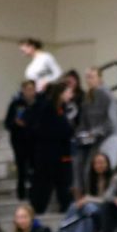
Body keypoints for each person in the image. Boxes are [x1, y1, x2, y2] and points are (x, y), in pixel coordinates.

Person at [29, 80, 75, 214]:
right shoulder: (48, 108)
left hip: (61, 155)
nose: (70, 95)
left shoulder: (63, 109)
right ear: (60, 94)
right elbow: (50, 130)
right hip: (48, 156)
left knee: (64, 184)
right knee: (44, 186)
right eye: (68, 92)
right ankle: (36, 211)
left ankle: (65, 208)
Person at [73, 67, 116, 198]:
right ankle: (79, 195)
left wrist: (95, 133)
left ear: (99, 78)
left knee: (89, 167)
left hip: (105, 137)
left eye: (92, 76)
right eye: (87, 77)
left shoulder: (106, 95)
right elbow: (83, 122)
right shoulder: (87, 98)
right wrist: (81, 135)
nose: (89, 80)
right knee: (77, 163)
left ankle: (90, 196)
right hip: (89, 138)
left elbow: (111, 122)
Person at [4, 80, 37, 200]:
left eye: (32, 89)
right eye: (27, 89)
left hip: (34, 140)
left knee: (35, 168)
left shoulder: (38, 104)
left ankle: (34, 192)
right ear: (23, 90)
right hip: (19, 141)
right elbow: (7, 123)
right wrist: (16, 123)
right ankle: (21, 193)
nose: (30, 92)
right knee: (21, 167)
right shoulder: (15, 104)